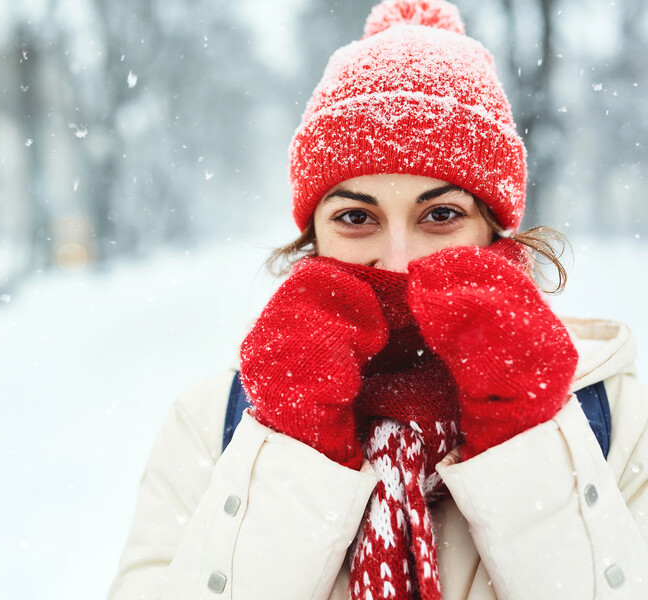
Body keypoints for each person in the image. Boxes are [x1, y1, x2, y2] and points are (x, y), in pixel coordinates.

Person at [108, 1, 648, 598]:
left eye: (440, 215)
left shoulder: (614, 419)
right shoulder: (216, 424)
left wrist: (523, 435)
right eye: (356, 216)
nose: (397, 260)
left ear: (494, 230)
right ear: (313, 234)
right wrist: (295, 442)